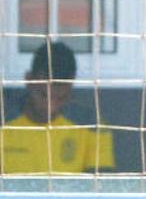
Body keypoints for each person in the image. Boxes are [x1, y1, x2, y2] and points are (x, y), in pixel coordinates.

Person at [1, 41, 116, 174]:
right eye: (44, 95)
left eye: (60, 98)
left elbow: (101, 188)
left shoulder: (92, 124)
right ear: (29, 81)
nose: (51, 107)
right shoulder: (4, 121)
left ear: (71, 87)